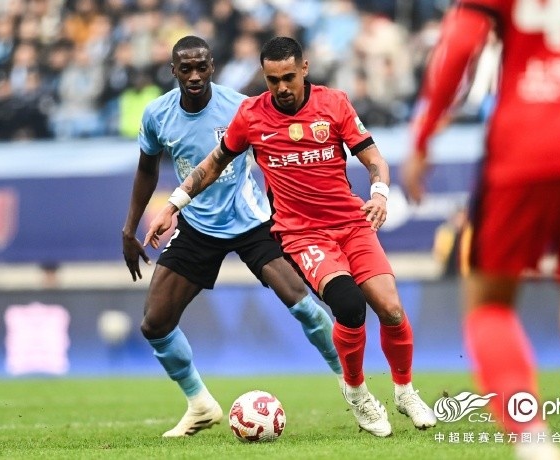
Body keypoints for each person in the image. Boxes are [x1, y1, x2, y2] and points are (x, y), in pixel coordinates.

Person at [145, 36, 437, 438]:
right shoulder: (252, 115)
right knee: (349, 305)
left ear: (304, 69)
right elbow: (212, 165)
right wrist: (173, 205)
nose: (281, 87)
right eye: (272, 80)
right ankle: (357, 393)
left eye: (288, 77)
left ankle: (404, 392)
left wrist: (380, 193)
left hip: (352, 224)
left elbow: (374, 159)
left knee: (391, 310)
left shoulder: (334, 104)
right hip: (303, 234)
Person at [401, 2, 560, 460]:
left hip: (526, 145)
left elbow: (459, 44)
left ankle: (533, 441)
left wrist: (423, 136)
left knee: (488, 303)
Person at [121, 35, 343, 438]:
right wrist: (129, 227)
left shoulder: (241, 107)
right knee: (155, 324)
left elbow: (277, 157)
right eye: (185, 69)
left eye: (201, 67)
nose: (194, 75)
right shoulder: (157, 115)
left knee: (304, 306)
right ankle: (200, 405)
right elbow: (147, 170)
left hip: (251, 222)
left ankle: (352, 385)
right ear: (173, 71)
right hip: (197, 227)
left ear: (212, 67)